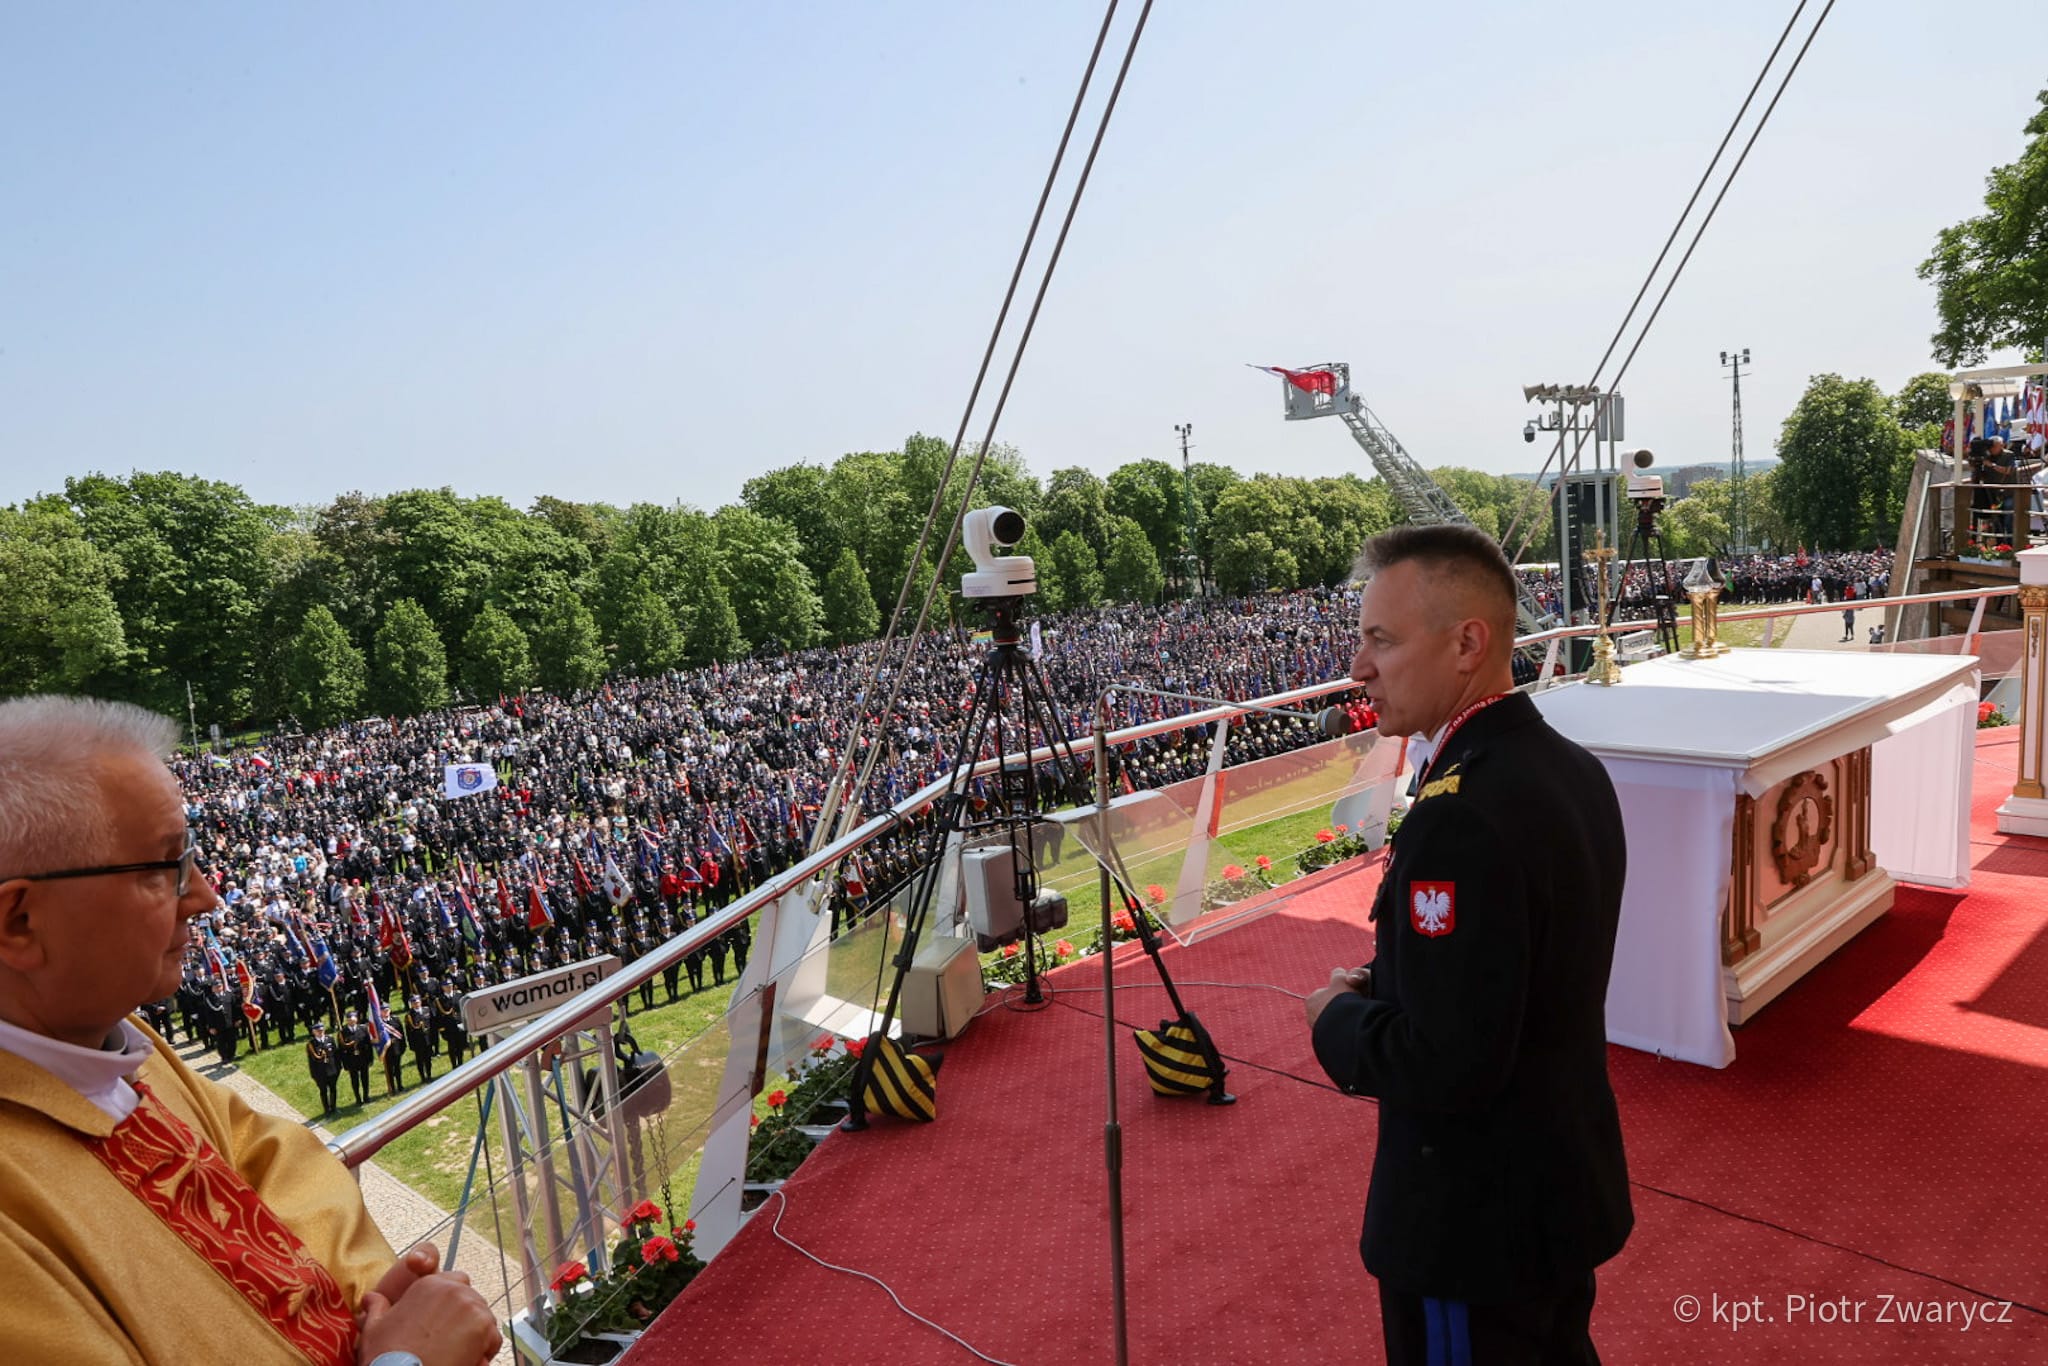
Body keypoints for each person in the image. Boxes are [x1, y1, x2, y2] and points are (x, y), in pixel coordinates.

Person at [0, 695, 500, 1366]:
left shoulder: (115, 1044)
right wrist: (405, 1360)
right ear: (20, 922)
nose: (205, 896)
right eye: (166, 867)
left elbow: (282, 1164)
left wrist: (371, 1305)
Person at [1305, 525, 1632, 1365]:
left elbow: (1449, 1062)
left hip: (1474, 1227)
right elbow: (1518, 961)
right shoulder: (1570, 768)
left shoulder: (1459, 814)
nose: (1359, 667)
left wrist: (1334, 1018)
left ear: (1467, 645)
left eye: (1381, 640)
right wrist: (1394, 974)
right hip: (1553, 1191)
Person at [306, 1018, 342, 1115]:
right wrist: (314, 1075)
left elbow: (336, 1055)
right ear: (313, 1032)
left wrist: (338, 1068)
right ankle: (326, 1110)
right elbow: (312, 1061)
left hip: (332, 1070)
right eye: (318, 1031)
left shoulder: (330, 1039)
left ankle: (334, 1107)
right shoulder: (311, 1044)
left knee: (333, 1089)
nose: (320, 1032)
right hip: (320, 1072)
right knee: (323, 1091)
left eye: (321, 1030)